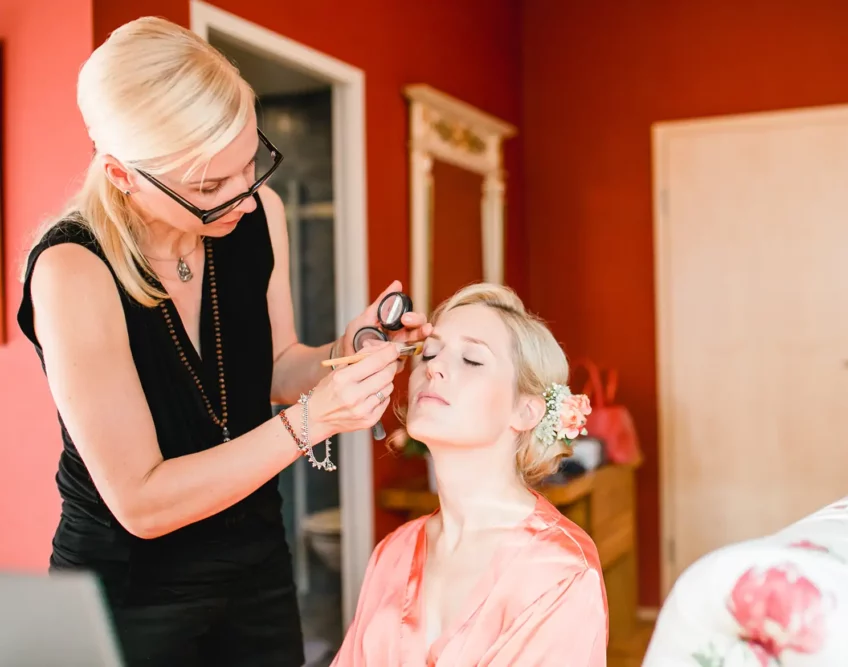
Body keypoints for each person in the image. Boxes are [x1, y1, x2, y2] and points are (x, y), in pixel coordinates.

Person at [15, 17, 429, 667]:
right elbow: (143, 501)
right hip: (130, 596)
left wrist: (348, 346)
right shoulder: (74, 269)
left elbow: (278, 368)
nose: (243, 196)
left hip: (256, 570)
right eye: (210, 187)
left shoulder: (259, 214)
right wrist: (310, 422)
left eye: (249, 164)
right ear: (124, 176)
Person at [332, 283, 609, 666]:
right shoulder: (393, 553)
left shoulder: (559, 569)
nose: (434, 367)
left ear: (527, 411)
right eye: (428, 353)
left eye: (472, 360)